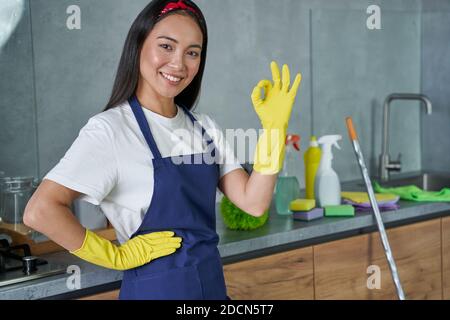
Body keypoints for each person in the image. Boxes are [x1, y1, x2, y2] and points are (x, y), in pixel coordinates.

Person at [23, 0, 302, 300]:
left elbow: (254, 202)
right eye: (166, 46)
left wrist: (274, 131)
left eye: (192, 53)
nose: (179, 64)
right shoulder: (111, 130)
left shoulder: (204, 127)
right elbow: (41, 211)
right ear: (139, 44)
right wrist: (114, 256)